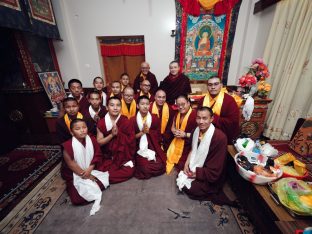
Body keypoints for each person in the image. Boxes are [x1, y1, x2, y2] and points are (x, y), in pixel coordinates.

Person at [176, 107, 229, 205]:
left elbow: (216, 168)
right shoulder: (196, 131)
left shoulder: (220, 138)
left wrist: (196, 173)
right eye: (198, 118)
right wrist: (187, 163)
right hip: (197, 164)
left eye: (205, 118)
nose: (201, 122)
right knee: (181, 168)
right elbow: (193, 149)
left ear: (211, 119)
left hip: (208, 171)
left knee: (192, 189)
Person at [61, 119, 109, 215]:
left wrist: (89, 170)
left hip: (90, 169)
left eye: (84, 127)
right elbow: (71, 164)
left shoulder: (92, 139)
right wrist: (85, 174)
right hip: (76, 173)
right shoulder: (67, 146)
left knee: (103, 181)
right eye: (78, 129)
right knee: (77, 199)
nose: (82, 130)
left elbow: (97, 154)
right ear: (71, 132)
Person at [97, 96, 136, 184]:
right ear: (107, 107)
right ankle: (103, 177)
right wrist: (112, 135)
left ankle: (102, 178)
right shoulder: (102, 122)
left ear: (121, 107)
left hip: (123, 156)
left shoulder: (126, 121)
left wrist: (120, 135)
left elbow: (131, 142)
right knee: (100, 167)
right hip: (108, 156)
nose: (115, 108)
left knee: (129, 171)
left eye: (118, 105)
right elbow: (99, 142)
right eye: (112, 105)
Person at [130, 95, 166, 179]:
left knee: (161, 166)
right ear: (138, 106)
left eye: (147, 104)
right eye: (142, 104)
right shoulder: (132, 120)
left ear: (149, 105)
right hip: (139, 149)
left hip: (153, 147)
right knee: (144, 168)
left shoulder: (154, 118)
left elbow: (158, 136)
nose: (145, 106)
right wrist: (142, 132)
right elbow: (131, 138)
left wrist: (149, 132)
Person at [198, 77, 239, 143]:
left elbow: (233, 122)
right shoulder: (202, 100)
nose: (213, 87)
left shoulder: (229, 100)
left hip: (221, 136)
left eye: (216, 84)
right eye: (210, 85)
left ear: (221, 85)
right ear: (207, 86)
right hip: (203, 134)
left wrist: (213, 118)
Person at [166, 95, 197, 174]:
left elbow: (200, 136)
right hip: (177, 140)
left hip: (190, 143)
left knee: (182, 165)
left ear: (188, 103)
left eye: (183, 104)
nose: (180, 107)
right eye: (178, 105)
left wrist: (185, 134)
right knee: (167, 158)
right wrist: (175, 131)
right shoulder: (177, 114)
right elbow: (172, 127)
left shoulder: (195, 115)